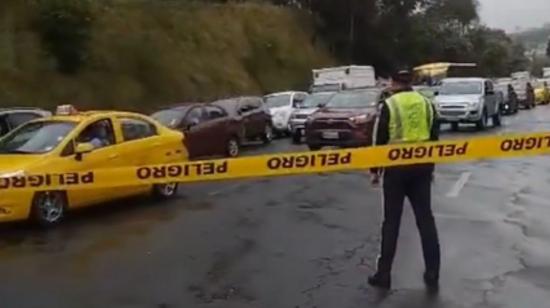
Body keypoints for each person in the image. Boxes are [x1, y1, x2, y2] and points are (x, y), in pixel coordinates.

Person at [368, 69, 441, 291]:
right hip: (422, 168)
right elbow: (435, 135)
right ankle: (433, 272)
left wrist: (375, 170)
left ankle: (384, 275)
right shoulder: (426, 102)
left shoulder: (390, 105)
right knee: (425, 220)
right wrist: (431, 166)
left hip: (396, 168)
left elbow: (380, 138)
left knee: (391, 222)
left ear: (393, 82)